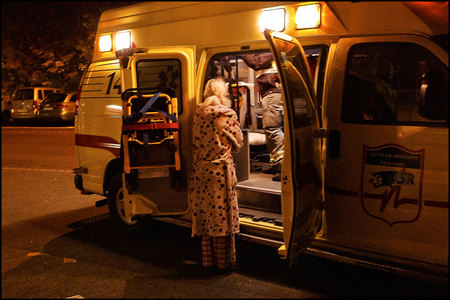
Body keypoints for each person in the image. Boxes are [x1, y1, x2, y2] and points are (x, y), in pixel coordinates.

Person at [190, 78, 244, 271]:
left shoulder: (198, 114)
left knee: (206, 219)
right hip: (220, 173)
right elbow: (238, 143)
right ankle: (223, 263)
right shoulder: (227, 116)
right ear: (224, 93)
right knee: (222, 219)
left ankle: (208, 261)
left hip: (201, 171)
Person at [256, 64, 284, 181]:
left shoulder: (266, 54)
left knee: (272, 129)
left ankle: (282, 167)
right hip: (272, 94)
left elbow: (255, 62)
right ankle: (275, 163)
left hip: (271, 95)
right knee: (270, 130)